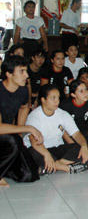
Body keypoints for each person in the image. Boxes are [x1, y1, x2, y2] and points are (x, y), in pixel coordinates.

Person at [24, 84, 88, 174]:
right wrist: (46, 154)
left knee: (85, 147)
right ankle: (64, 167)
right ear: (43, 100)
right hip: (39, 150)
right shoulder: (34, 116)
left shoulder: (63, 114)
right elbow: (33, 141)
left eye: (58, 98)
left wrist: (84, 146)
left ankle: (55, 165)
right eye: (53, 98)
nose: (57, 101)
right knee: (32, 155)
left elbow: (76, 134)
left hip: (56, 149)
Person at [0, 55, 43, 187]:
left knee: (30, 175)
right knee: (13, 141)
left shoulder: (23, 90)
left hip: (6, 134)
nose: (26, 75)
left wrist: (19, 130)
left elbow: (24, 107)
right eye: (22, 71)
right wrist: (28, 128)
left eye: (26, 71)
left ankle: (5, 170)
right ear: (9, 74)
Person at [60, 80, 88, 160]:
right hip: (68, 134)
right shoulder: (66, 106)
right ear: (73, 94)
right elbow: (61, 127)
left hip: (82, 132)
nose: (85, 93)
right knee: (75, 154)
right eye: (81, 91)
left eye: (86, 90)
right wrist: (71, 143)